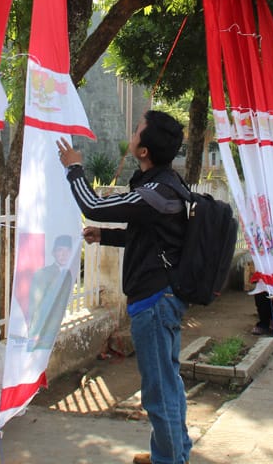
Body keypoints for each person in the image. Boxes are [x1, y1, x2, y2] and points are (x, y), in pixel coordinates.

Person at [57, 110, 190, 464]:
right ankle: (172, 452)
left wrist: (74, 168)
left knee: (159, 392)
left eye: (137, 131)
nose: (132, 134)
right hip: (162, 298)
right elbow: (149, 237)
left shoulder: (155, 193)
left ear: (144, 150)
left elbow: (94, 205)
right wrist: (106, 236)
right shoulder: (164, 186)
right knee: (168, 384)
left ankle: (170, 459)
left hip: (155, 303)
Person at [27, 233, 77, 350]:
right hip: (42, 327)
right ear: (53, 253)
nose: (64, 255)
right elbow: (35, 305)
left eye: (68, 251)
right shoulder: (43, 274)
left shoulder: (68, 275)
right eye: (60, 250)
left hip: (57, 324)